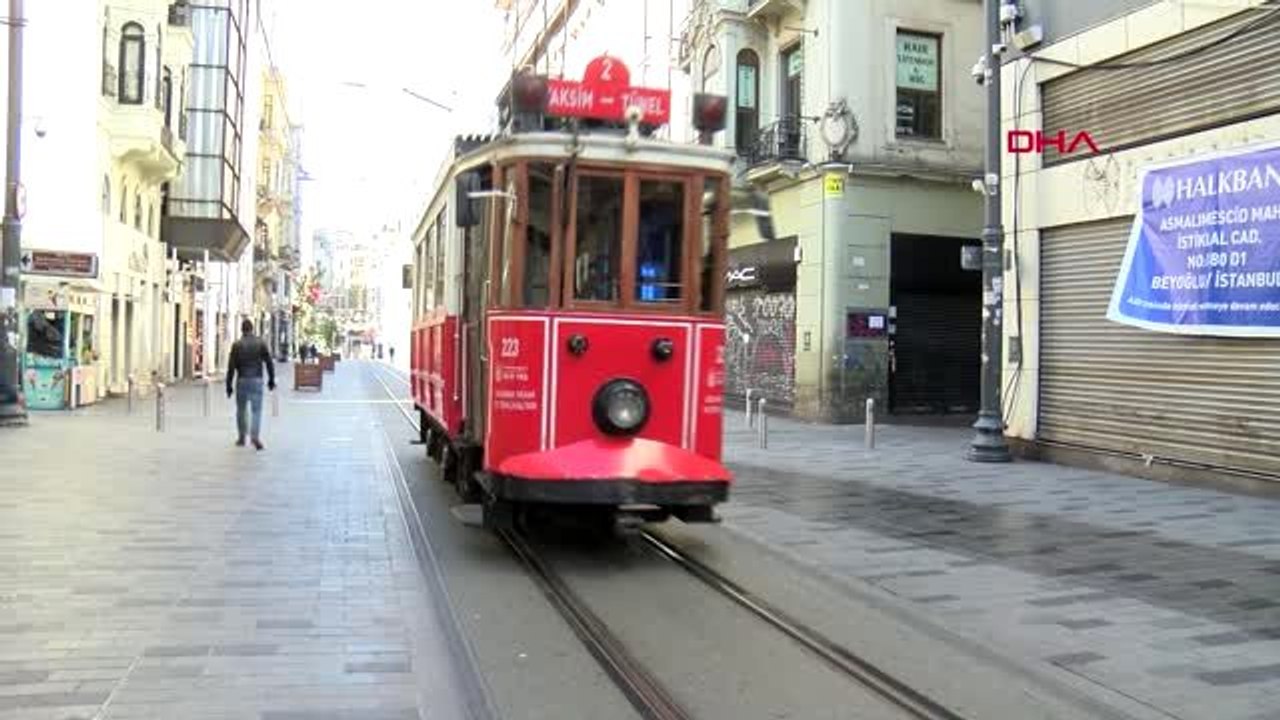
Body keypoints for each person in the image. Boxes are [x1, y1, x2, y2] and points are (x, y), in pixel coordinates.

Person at [226, 319, 276, 450]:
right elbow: (269, 362)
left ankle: (242, 437)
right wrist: (271, 380)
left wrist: (229, 385)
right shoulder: (260, 343)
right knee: (256, 410)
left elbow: (231, 367)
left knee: (241, 410)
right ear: (252, 329)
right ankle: (255, 436)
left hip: (242, 380)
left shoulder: (237, 345)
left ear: (242, 330)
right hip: (257, 380)